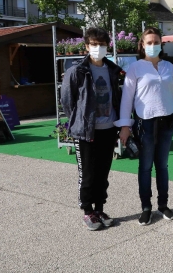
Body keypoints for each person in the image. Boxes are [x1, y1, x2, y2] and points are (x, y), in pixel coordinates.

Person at [116, 27, 173, 226]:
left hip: (167, 122)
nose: (153, 45)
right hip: (144, 123)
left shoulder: (168, 67)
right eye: (149, 42)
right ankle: (146, 208)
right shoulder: (135, 68)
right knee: (145, 166)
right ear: (142, 45)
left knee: (162, 166)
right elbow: (126, 99)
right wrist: (124, 126)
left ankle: (163, 205)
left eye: (156, 42)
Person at [61, 27, 123, 231]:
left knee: (103, 173)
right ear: (87, 46)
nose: (98, 48)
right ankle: (87, 210)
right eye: (94, 45)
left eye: (102, 45)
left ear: (108, 46)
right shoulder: (76, 71)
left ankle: (100, 208)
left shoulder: (113, 70)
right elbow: (67, 102)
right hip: (86, 133)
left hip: (108, 129)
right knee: (87, 174)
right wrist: (80, 121)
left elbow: (117, 97)